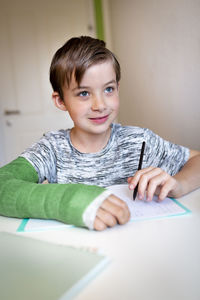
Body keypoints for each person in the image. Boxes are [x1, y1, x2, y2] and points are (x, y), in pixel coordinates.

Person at [0, 36, 200, 231]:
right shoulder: (52, 149)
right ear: (61, 101)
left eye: (109, 89)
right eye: (84, 93)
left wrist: (180, 185)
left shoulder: (139, 141)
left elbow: (197, 159)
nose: (100, 105)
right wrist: (69, 200)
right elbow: (3, 184)